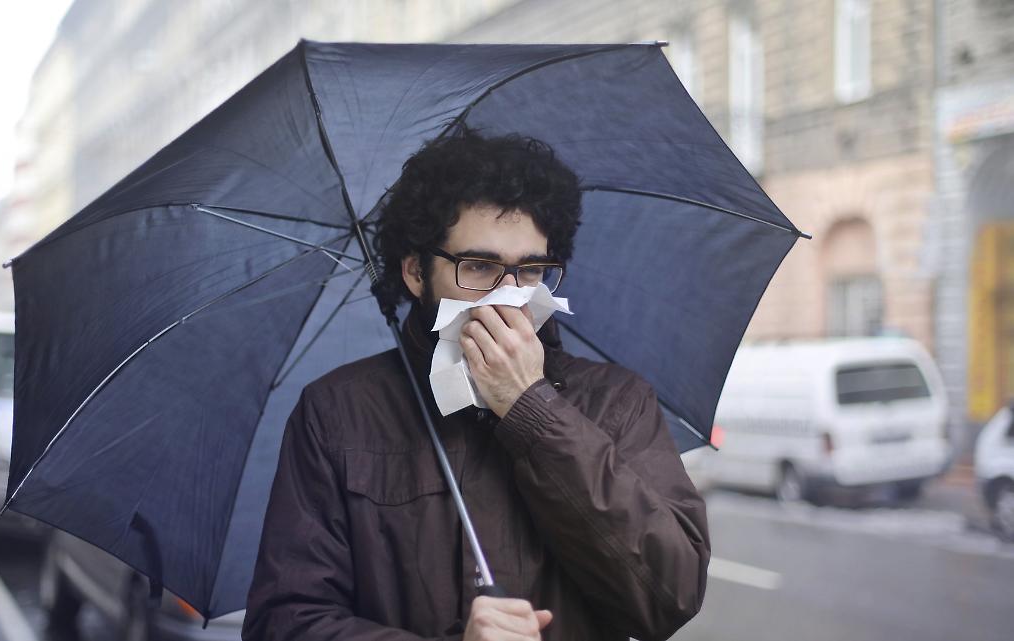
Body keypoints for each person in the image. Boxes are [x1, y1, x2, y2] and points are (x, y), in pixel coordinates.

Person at [243, 127, 710, 641]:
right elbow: (283, 621)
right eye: (480, 266)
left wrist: (533, 411)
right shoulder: (337, 412)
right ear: (416, 272)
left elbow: (672, 595)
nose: (509, 295)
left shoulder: (617, 401)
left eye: (530, 269)